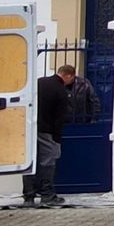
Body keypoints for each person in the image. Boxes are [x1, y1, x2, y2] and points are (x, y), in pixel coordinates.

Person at [22, 62, 80, 208]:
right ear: (68, 75)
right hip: (47, 131)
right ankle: (47, 195)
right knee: (48, 162)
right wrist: (57, 138)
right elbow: (59, 118)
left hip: (30, 128)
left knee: (30, 162)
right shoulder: (60, 91)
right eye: (71, 79)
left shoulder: (39, 82)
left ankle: (29, 196)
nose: (71, 82)